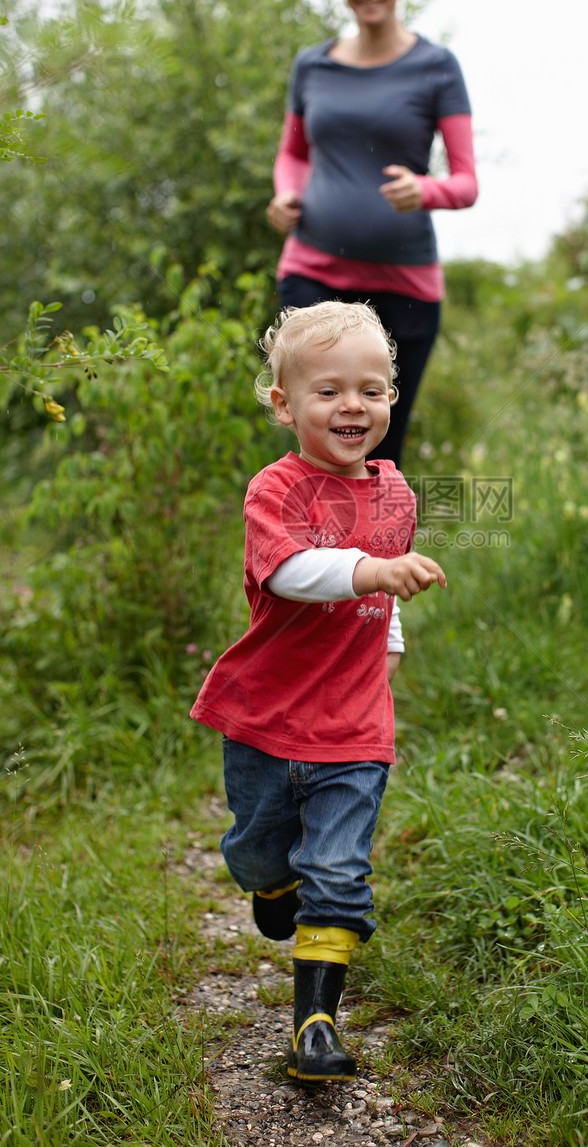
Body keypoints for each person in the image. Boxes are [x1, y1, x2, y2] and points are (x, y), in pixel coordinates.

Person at [190, 301, 447, 1082]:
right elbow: (292, 572)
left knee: (339, 871)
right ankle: (270, 880)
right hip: (267, 713)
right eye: (329, 390)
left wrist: (388, 639)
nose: (353, 406)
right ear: (284, 403)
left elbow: (387, 588)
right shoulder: (277, 490)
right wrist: (370, 571)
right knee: (259, 849)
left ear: (391, 400)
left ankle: (316, 1026)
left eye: (372, 389)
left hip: (354, 725)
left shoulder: (397, 494)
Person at [267, 0, 478, 469]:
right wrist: (287, 193)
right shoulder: (312, 65)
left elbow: (465, 182)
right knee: (316, 443)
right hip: (312, 269)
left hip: (405, 285)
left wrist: (424, 189)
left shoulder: (436, 67)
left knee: (383, 449)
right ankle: (306, 556)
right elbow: (293, 153)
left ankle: (386, 558)